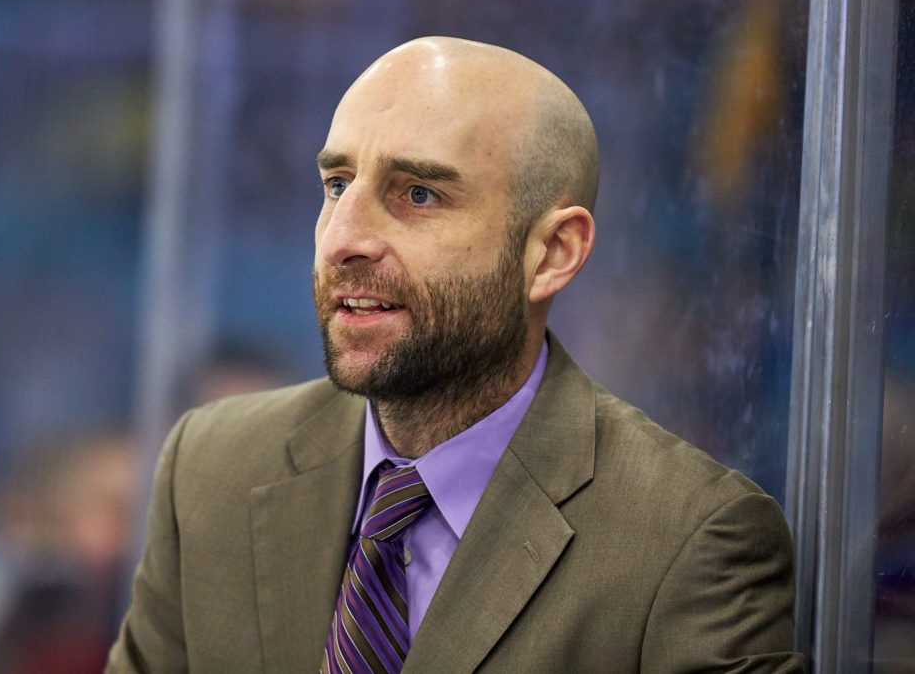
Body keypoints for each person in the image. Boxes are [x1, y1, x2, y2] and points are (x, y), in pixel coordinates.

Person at [107, 36, 802, 672]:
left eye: (418, 194)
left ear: (552, 253)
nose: (341, 239)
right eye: (337, 184)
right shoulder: (211, 469)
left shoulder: (689, 540)